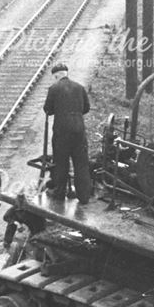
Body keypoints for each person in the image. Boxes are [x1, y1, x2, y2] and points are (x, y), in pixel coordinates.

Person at [43, 62, 92, 204]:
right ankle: (84, 197)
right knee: (81, 163)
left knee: (61, 163)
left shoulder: (54, 88)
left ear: (56, 75)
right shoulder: (79, 87)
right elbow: (86, 108)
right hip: (79, 130)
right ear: (67, 73)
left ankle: (59, 195)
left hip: (61, 131)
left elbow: (48, 110)